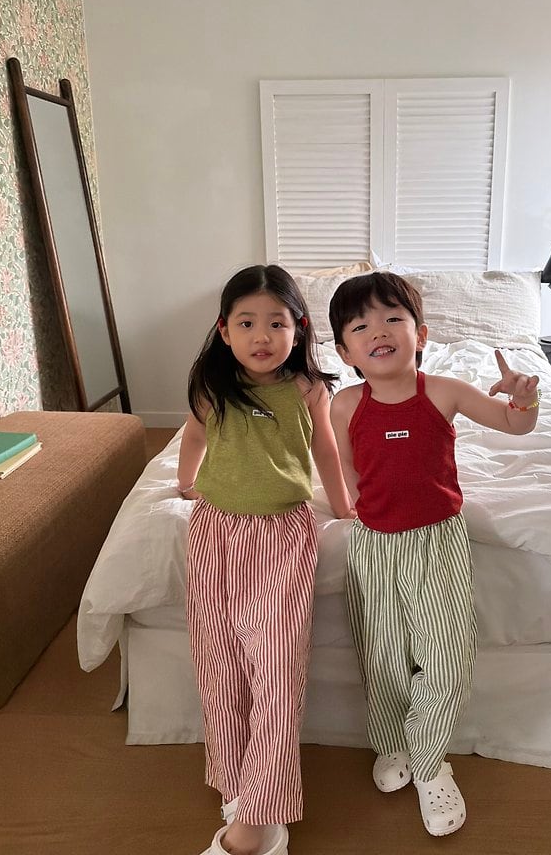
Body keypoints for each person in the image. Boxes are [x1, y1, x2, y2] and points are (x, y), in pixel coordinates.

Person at [328, 271, 539, 838]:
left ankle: (429, 761)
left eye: (393, 318)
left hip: (437, 542)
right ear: (345, 352)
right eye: (360, 326)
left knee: (446, 657)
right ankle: (391, 743)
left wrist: (524, 399)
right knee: (383, 656)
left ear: (420, 334)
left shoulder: (444, 391)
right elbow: (348, 469)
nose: (379, 331)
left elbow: (513, 425)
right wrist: (354, 511)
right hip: (374, 546)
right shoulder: (344, 404)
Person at [177, 264, 353, 855]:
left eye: (277, 323)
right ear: (224, 330)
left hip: (282, 535)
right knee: (218, 661)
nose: (262, 336)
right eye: (247, 323)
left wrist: (344, 508)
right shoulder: (213, 387)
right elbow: (194, 436)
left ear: (298, 329)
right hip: (214, 532)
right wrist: (185, 482)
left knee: (275, 667)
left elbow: (325, 450)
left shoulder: (308, 389)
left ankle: (261, 818)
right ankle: (237, 784)